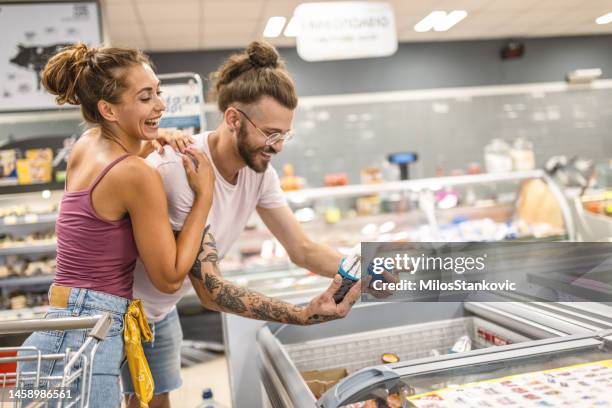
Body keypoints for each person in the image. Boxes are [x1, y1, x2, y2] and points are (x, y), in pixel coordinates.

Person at [121, 41, 370, 408]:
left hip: (161, 310)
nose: (278, 146)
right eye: (271, 134)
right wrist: (299, 314)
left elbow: (303, 249)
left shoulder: (258, 173)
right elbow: (210, 290)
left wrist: (369, 270)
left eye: (284, 135)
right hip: (124, 311)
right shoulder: (182, 168)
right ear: (234, 119)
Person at [17, 43, 214, 408]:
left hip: (61, 326)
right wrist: (205, 196)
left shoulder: (87, 144)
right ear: (108, 109)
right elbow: (169, 277)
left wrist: (152, 139)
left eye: (158, 92)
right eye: (145, 97)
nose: (160, 105)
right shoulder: (134, 174)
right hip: (87, 335)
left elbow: (119, 157)